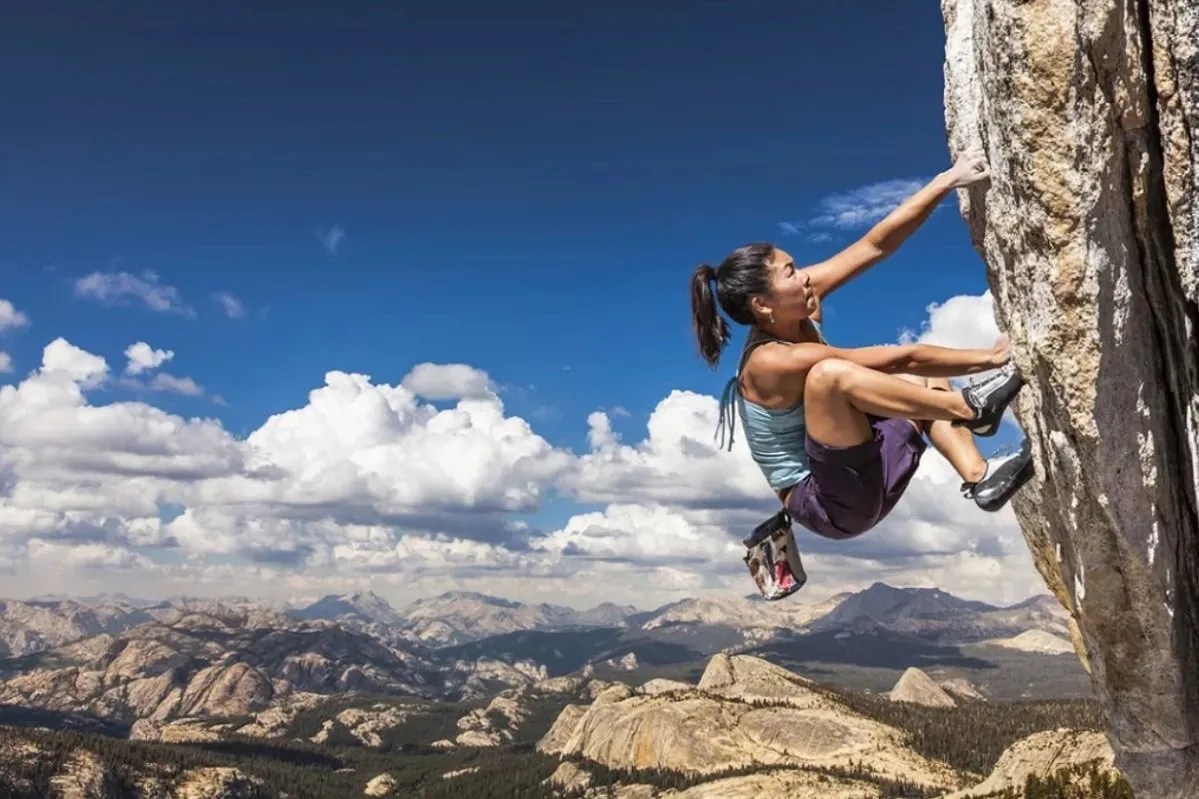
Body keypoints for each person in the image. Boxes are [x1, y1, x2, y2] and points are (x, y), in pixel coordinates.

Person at [688, 150, 1033, 542]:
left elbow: (875, 245)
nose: (804, 277)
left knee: (918, 378)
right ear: (763, 304)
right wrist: (991, 358)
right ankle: (970, 408)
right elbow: (894, 359)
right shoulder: (769, 362)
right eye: (790, 273)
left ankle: (981, 477)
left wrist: (946, 181)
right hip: (829, 503)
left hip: (865, 464)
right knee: (829, 377)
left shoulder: (800, 302)